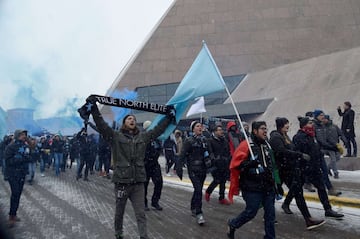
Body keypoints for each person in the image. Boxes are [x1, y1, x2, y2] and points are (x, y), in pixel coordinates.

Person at [86, 95, 174, 239]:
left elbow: (158, 130)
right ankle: (119, 234)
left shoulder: (143, 137)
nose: (132, 120)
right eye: (129, 119)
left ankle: (143, 236)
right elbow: (101, 125)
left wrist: (169, 117)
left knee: (140, 214)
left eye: (133, 119)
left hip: (138, 183)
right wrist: (94, 108)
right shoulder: (115, 136)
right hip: (122, 183)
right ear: (124, 123)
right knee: (119, 212)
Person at [269, 117, 325, 230]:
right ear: (281, 125)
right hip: (283, 171)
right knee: (273, 194)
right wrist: (299, 155)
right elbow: (282, 151)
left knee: (297, 192)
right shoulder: (276, 137)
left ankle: (306, 218)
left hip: (290, 169)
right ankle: (270, 215)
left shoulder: (285, 136)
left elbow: (291, 149)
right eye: (286, 124)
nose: (288, 126)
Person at [227, 121, 277, 239]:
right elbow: (236, 165)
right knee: (251, 212)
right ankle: (233, 224)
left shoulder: (267, 145)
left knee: (270, 215)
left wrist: (276, 183)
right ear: (255, 131)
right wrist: (249, 164)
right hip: (251, 187)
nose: (265, 131)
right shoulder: (246, 145)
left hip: (268, 186)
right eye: (262, 129)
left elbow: (272, 165)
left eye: (266, 128)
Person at [293, 116, 344, 219]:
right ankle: (292, 207)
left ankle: (328, 209)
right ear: (304, 125)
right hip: (304, 170)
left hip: (314, 168)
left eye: (312, 123)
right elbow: (299, 153)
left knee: (321, 188)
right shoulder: (299, 137)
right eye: (310, 123)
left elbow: (316, 149)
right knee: (296, 190)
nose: (312, 125)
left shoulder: (311, 136)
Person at [177, 121, 212, 225]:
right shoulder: (189, 141)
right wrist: (179, 167)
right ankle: (199, 212)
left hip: (203, 169)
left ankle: (193, 206)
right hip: (193, 169)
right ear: (193, 129)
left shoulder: (205, 140)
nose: (200, 128)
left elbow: (210, 152)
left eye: (201, 126)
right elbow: (182, 154)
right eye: (197, 126)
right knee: (198, 190)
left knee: (198, 190)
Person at [4, 129, 31, 227]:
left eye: (24, 134)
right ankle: (11, 216)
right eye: (22, 135)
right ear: (17, 136)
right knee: (15, 193)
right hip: (13, 174)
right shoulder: (10, 146)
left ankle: (14, 214)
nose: (24, 136)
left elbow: (29, 157)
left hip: (22, 174)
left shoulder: (25, 146)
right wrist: (19, 158)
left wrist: (28, 157)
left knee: (18, 194)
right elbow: (7, 160)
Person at [313, 110, 341, 196]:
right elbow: (319, 141)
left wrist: (334, 145)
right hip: (314, 153)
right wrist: (331, 147)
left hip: (320, 152)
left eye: (323, 115)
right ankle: (306, 183)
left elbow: (326, 138)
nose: (323, 116)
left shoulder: (322, 126)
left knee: (324, 171)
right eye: (321, 115)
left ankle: (330, 189)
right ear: (316, 116)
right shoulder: (314, 126)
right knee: (311, 173)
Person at [205, 125, 231, 205]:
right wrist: (214, 159)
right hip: (215, 164)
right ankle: (208, 192)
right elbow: (210, 151)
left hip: (224, 163)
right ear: (215, 131)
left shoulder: (224, 140)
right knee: (217, 180)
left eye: (221, 130)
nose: (221, 131)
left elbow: (228, 150)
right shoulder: (210, 140)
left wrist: (227, 158)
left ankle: (222, 198)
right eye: (219, 130)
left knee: (223, 181)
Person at [143, 120, 164, 211]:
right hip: (145, 165)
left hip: (154, 164)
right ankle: (144, 203)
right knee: (144, 185)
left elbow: (159, 149)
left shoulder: (157, 139)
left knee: (159, 182)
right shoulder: (143, 138)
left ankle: (155, 202)